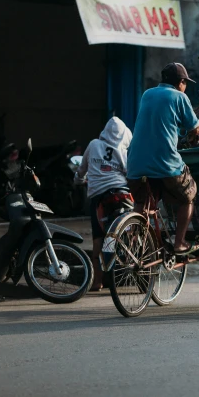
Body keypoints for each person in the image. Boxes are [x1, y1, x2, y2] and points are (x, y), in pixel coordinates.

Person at [126, 62, 199, 256]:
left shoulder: (147, 94)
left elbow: (162, 122)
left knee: (142, 201)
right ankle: (179, 242)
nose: (185, 86)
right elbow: (196, 128)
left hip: (135, 163)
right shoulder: (179, 97)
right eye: (185, 83)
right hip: (164, 163)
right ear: (181, 82)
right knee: (189, 194)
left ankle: (130, 242)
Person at [74, 116, 133, 291]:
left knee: (98, 239)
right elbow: (128, 173)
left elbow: (81, 170)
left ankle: (97, 281)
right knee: (130, 230)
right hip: (122, 195)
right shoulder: (123, 150)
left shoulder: (93, 145)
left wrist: (78, 179)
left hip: (99, 199)